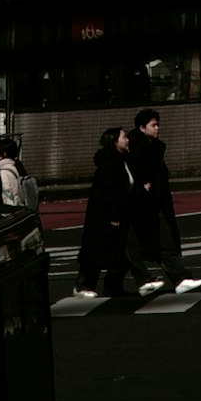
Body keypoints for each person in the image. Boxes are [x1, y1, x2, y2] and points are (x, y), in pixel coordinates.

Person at [127, 108, 198, 295]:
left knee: (148, 245)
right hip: (142, 204)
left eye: (158, 124)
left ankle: (178, 278)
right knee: (149, 244)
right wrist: (143, 187)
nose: (157, 128)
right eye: (153, 125)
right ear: (142, 128)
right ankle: (178, 278)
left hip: (152, 202)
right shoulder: (137, 149)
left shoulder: (154, 147)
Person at [78, 125, 137, 298]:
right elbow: (108, 191)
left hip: (119, 213)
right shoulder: (109, 163)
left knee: (118, 252)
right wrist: (114, 215)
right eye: (123, 137)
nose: (127, 139)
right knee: (97, 251)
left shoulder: (122, 159)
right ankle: (84, 286)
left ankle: (112, 286)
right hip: (104, 217)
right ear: (114, 141)